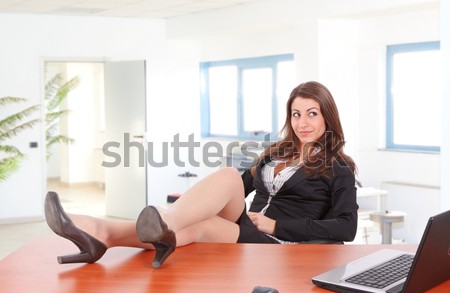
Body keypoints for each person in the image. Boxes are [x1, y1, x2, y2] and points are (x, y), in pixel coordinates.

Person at [44, 81, 359, 269]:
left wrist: (278, 224)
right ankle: (105, 234)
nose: (303, 122)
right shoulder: (276, 152)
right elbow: (238, 187)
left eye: (312, 113)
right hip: (249, 227)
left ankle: (106, 230)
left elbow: (348, 226)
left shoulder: (340, 167)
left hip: (278, 243)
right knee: (225, 180)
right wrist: (201, 201)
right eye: (296, 114)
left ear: (327, 116)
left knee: (205, 219)